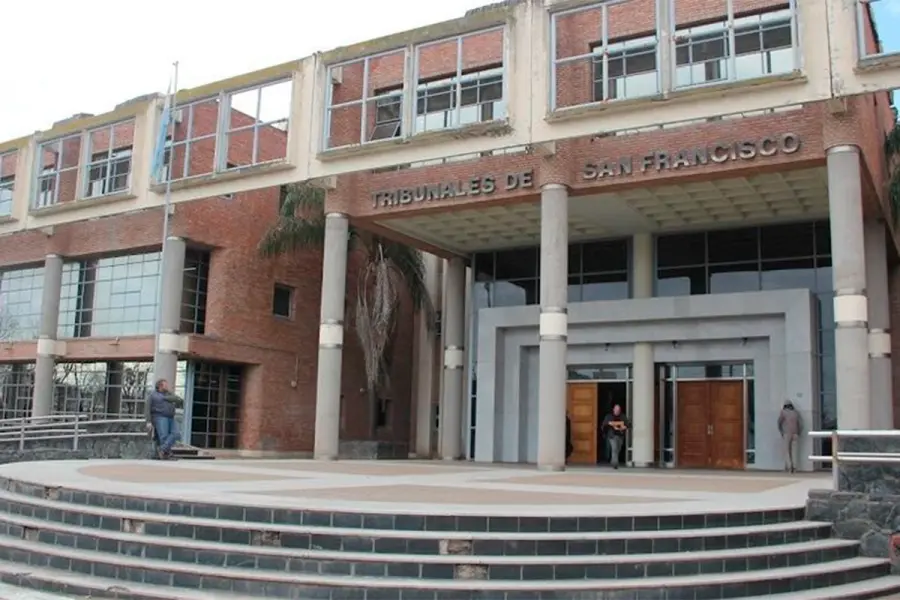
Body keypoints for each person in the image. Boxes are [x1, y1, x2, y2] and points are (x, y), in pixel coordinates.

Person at [148, 379, 184, 460]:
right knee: (163, 436)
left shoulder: (169, 394)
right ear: (160, 386)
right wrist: (149, 421)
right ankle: (166, 454)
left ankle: (162, 449)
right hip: (159, 417)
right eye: (166, 385)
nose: (167, 386)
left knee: (176, 434)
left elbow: (178, 399)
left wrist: (167, 397)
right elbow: (147, 408)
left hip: (171, 417)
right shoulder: (153, 395)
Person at [601, 404, 630, 469]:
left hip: (620, 435)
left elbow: (628, 425)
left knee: (618, 449)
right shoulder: (609, 416)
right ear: (613, 409)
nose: (617, 411)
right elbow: (604, 425)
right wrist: (609, 423)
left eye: (618, 410)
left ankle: (613, 460)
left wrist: (624, 427)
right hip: (612, 436)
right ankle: (615, 463)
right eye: (616, 409)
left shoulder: (623, 416)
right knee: (614, 448)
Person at [777, 400, 802, 473]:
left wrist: (781, 431)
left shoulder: (783, 412)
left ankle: (789, 466)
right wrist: (798, 432)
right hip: (795, 433)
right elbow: (801, 424)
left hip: (786, 433)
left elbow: (779, 422)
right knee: (794, 451)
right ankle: (794, 467)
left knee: (787, 451)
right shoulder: (796, 413)